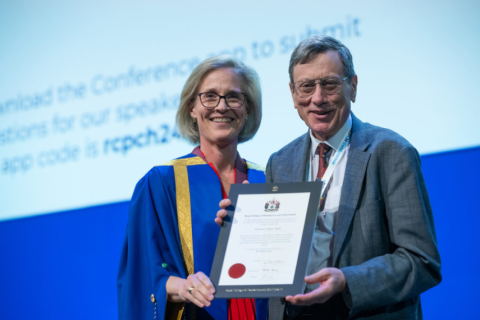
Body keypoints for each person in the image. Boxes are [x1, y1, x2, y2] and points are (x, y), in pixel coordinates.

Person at [217, 36, 441, 319]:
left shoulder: (392, 152)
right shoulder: (280, 161)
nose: (318, 98)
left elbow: (422, 261)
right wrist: (243, 228)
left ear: (353, 86)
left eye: (330, 84)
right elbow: (277, 258)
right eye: (306, 86)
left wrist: (347, 281)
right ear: (293, 93)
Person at [117, 56, 268, 320]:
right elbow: (142, 277)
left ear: (247, 110)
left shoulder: (267, 181)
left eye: (233, 97)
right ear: (192, 108)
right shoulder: (162, 182)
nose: (222, 106)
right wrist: (184, 286)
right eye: (210, 96)